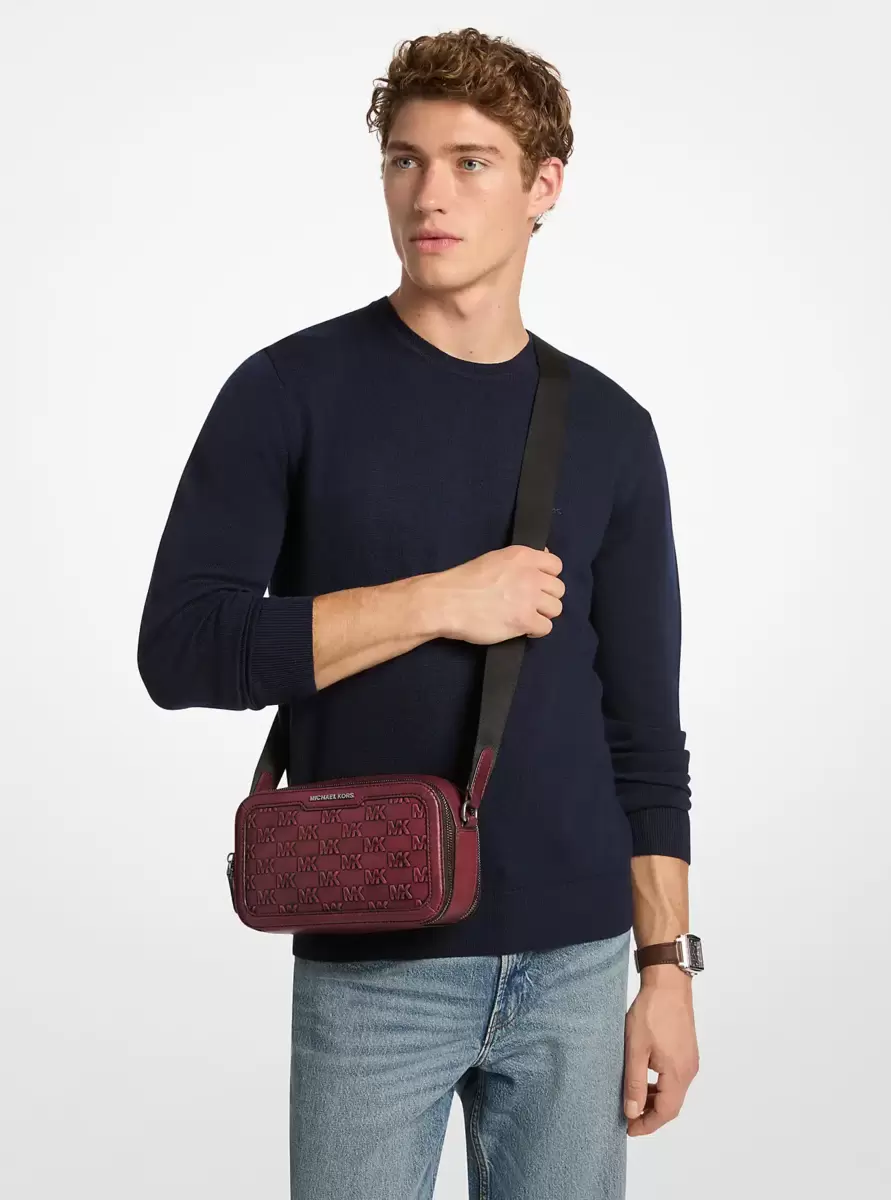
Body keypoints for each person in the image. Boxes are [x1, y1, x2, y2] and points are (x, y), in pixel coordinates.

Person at [137, 25, 702, 1200]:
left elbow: (646, 734)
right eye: (405, 160)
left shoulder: (610, 428)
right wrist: (443, 601)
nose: (428, 194)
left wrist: (665, 967)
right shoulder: (288, 391)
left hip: (578, 962)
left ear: (544, 186)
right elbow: (181, 648)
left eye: (471, 162)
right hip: (373, 959)